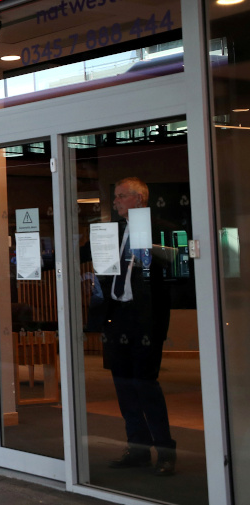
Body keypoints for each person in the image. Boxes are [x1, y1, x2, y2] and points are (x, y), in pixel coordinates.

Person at [100, 177, 176, 476]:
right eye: (115, 196)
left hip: (147, 318)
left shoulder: (163, 229)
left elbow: (178, 264)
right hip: (118, 316)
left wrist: (151, 246)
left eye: (121, 196)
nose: (116, 201)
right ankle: (138, 448)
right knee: (123, 386)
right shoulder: (112, 231)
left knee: (145, 386)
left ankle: (166, 451)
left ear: (139, 199)